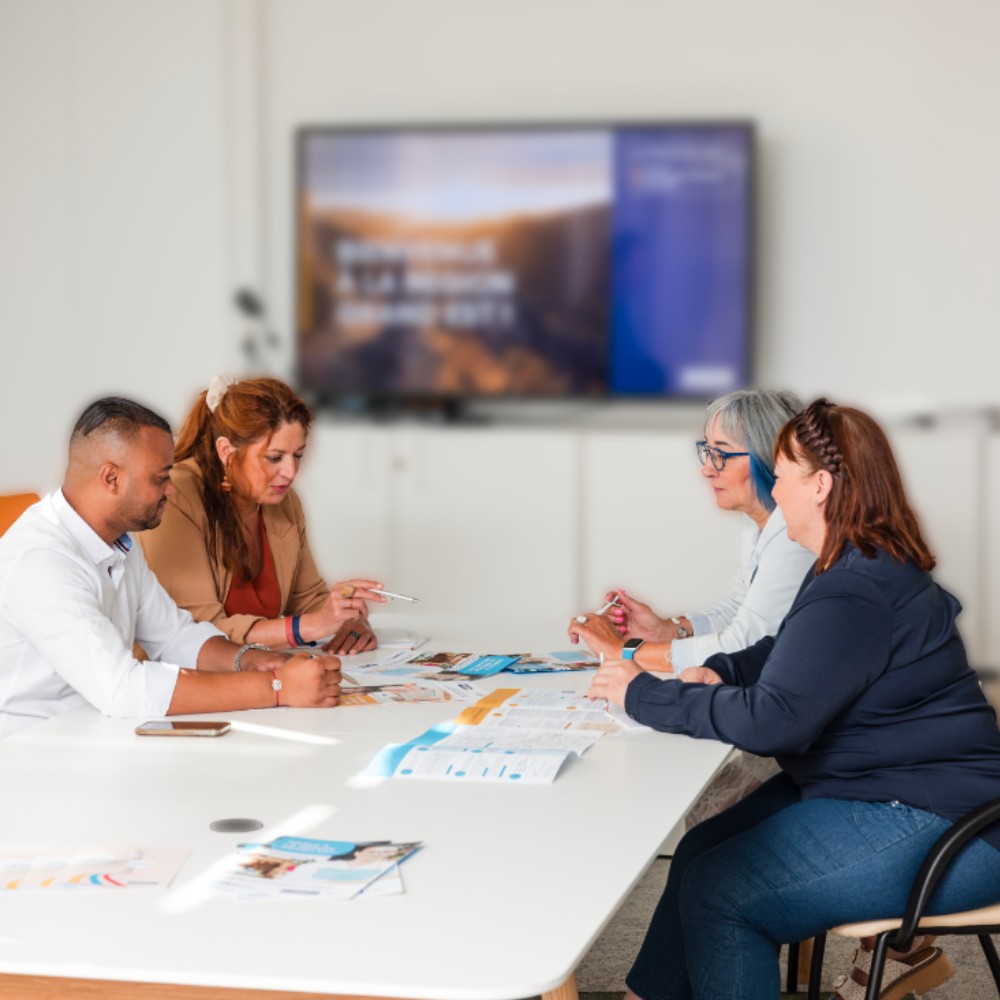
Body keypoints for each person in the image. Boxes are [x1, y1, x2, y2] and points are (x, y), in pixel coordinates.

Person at [587, 398, 1000, 1000]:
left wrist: (643, 694)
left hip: (938, 818)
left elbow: (773, 722)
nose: (774, 493)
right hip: (883, 787)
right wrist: (719, 672)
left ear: (821, 485)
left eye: (781, 476)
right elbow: (789, 651)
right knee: (703, 847)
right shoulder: (850, 565)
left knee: (724, 895)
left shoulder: (855, 588)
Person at [0, 397, 342, 740]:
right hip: (33, 752)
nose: (171, 489)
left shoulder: (119, 542)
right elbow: (123, 688)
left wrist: (250, 659)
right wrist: (278, 688)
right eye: (160, 478)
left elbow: (174, 635)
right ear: (111, 478)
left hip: (94, 733)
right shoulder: (41, 559)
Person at [569, 388, 814, 824]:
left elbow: (746, 641)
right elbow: (742, 607)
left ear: (768, 457)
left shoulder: (795, 534)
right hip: (779, 705)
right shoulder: (760, 522)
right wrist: (669, 630)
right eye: (706, 451)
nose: (706, 469)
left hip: (798, 729)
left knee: (696, 800)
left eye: (720, 454)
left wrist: (622, 653)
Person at [139, 376, 385, 656]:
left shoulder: (283, 502)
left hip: (252, 676)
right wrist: (310, 626)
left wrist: (348, 618)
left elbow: (308, 598)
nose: (291, 473)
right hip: (180, 682)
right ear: (226, 451)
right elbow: (195, 632)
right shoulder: (175, 496)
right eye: (274, 458)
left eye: (298, 455)